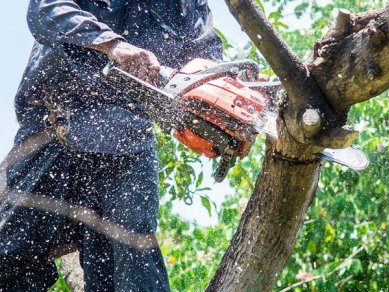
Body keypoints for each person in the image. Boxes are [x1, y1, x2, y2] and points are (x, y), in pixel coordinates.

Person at [0, 0, 222, 291]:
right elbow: (44, 10)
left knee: (131, 261)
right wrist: (112, 45)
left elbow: (207, 62)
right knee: (9, 256)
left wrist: (228, 92)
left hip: (127, 141)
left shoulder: (188, 5)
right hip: (54, 129)